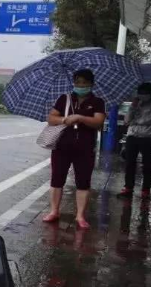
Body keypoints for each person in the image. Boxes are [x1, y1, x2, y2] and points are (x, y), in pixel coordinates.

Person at [42, 69, 106, 229]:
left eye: (84, 83)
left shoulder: (98, 102)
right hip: (61, 147)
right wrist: (64, 119)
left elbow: (98, 122)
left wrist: (80, 117)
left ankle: (80, 216)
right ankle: (54, 211)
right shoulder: (65, 99)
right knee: (57, 179)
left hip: (85, 148)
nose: (81, 85)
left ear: (92, 84)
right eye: (78, 82)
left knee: (83, 182)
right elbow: (51, 119)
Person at [118, 83, 151, 199]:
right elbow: (127, 120)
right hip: (132, 136)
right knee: (129, 163)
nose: (142, 96)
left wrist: (136, 122)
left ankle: (146, 189)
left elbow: (147, 120)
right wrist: (133, 107)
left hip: (148, 137)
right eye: (140, 93)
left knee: (147, 164)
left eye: (145, 93)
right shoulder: (135, 104)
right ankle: (128, 187)